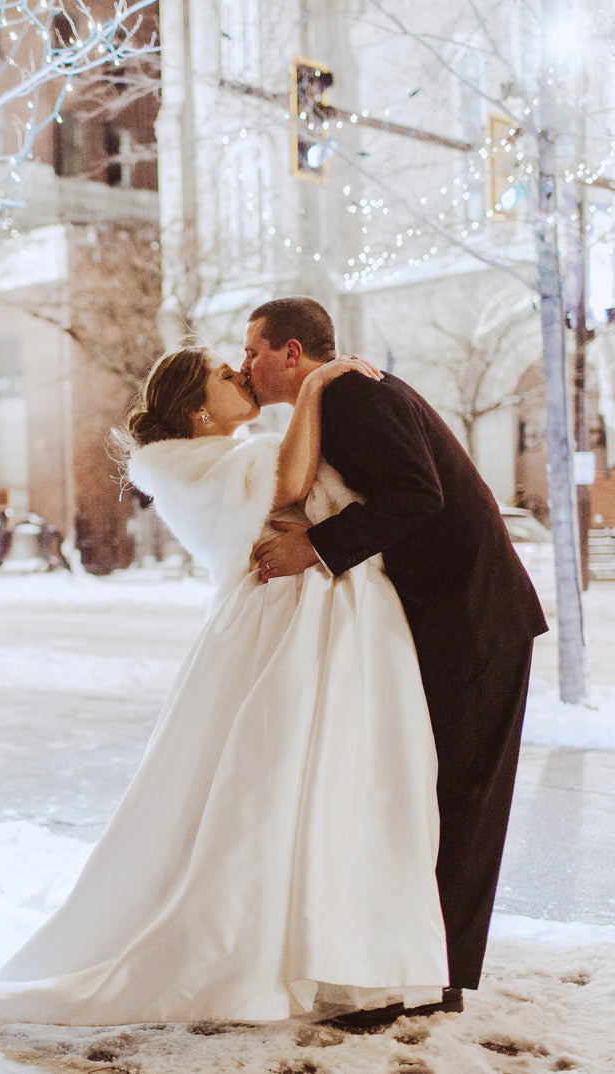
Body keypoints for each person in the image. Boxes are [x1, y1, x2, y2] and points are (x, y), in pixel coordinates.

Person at [0, 346, 449, 1030]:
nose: (241, 374)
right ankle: (323, 936)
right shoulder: (247, 457)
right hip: (297, 616)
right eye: (226, 376)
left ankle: (308, 937)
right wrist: (319, 383)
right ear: (202, 410)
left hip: (255, 619)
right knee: (313, 776)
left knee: (268, 782)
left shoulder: (183, 471)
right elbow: (298, 490)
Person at [241, 296, 549, 1012]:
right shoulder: (337, 394)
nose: (245, 364)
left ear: (291, 352)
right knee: (437, 796)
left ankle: (438, 984)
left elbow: (419, 495)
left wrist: (313, 548)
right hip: (454, 615)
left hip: (476, 617)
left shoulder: (351, 393)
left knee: (464, 801)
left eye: (253, 348)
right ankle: (419, 970)